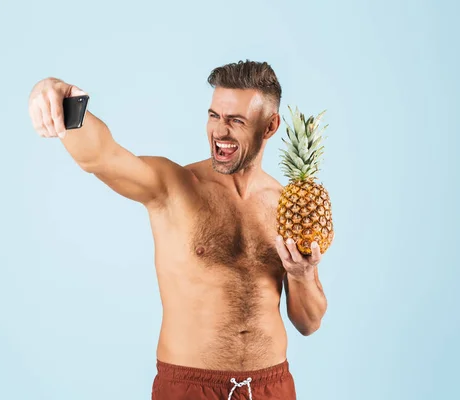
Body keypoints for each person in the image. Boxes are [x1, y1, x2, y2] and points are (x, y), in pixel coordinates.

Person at [28, 60, 328, 400]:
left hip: (271, 387)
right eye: (214, 116)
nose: (220, 131)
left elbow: (309, 323)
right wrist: (60, 98)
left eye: (236, 120)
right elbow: (103, 157)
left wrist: (302, 273)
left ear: (270, 126)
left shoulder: (287, 205)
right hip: (189, 387)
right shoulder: (174, 187)